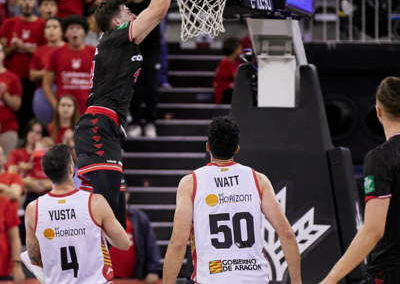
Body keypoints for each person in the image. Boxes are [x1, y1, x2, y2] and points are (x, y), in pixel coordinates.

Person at [74, 0, 198, 228]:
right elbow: (158, 11)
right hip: (98, 123)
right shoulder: (115, 38)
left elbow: (156, 14)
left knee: (114, 217)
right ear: (117, 23)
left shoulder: (119, 42)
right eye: (128, 12)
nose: (133, 14)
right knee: (108, 220)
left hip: (107, 125)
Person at [163, 116, 302, 284]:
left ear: (208, 147)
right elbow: (286, 233)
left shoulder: (191, 183)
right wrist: (296, 282)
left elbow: (177, 244)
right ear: (237, 149)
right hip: (254, 279)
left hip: (213, 278)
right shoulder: (257, 179)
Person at [319, 76, 400, 284]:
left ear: (378, 111)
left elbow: (373, 231)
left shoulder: (381, 157)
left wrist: (330, 279)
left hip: (390, 271)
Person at [24, 143, 130, 283]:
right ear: (70, 169)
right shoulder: (95, 202)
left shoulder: (33, 209)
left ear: (46, 173)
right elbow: (124, 244)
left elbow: (34, 259)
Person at [0, 0, 45, 133]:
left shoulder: (42, 25)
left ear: (35, 3)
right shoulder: (9, 23)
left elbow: (44, 53)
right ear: (18, 1)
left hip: (33, 77)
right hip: (12, 76)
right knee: (13, 109)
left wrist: (24, 47)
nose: (27, 3)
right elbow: (1, 52)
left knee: (30, 110)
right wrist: (12, 47)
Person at [43, 15, 95, 115]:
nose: (74, 31)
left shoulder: (94, 52)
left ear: (85, 33)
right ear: (65, 33)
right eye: (71, 28)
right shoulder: (56, 53)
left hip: (88, 108)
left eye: (78, 28)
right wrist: (56, 106)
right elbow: (46, 84)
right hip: (65, 110)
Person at [126, 0, 161, 138]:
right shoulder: (125, 9)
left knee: (151, 89)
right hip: (131, 51)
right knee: (134, 89)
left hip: (151, 51)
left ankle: (150, 122)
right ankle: (135, 122)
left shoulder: (153, 6)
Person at [109, 190, 161, 283]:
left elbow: (151, 244)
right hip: (105, 278)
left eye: (120, 192)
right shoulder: (100, 216)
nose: (116, 196)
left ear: (127, 195)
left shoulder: (139, 217)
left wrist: (153, 270)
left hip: (134, 278)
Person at [30, 17, 65, 123]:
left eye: (55, 27)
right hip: (43, 91)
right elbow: (32, 75)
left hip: (64, 89)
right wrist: (48, 72)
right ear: (44, 32)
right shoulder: (40, 50)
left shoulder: (68, 48)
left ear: (62, 31)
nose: (51, 30)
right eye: (48, 27)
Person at [0, 144, 23, 209]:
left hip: (9, 218)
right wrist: (5, 190)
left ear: (4, 158)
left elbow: (15, 194)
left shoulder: (14, 176)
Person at [214, 37, 242, 104]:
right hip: (225, 94)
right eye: (241, 48)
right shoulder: (224, 63)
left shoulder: (237, 62)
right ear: (236, 50)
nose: (242, 49)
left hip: (233, 92)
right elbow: (237, 76)